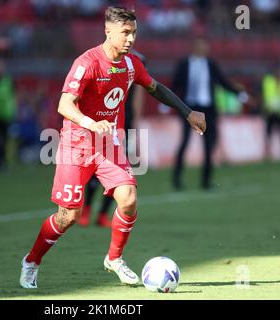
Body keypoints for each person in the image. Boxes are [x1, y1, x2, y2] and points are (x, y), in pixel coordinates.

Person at [20, 6, 206, 289]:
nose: (131, 39)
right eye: (125, 33)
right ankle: (32, 261)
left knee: (129, 199)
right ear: (108, 31)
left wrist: (187, 111)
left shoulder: (132, 64)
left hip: (108, 145)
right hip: (76, 145)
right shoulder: (87, 63)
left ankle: (114, 259)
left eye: (134, 33)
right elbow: (64, 104)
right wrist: (89, 122)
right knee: (69, 215)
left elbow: (155, 88)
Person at [77, 50, 147, 228]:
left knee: (121, 172)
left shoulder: (137, 62)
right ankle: (86, 210)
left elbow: (139, 92)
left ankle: (102, 214)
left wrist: (135, 121)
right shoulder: (104, 61)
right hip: (105, 122)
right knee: (96, 168)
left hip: (126, 124)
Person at [171, 37, 249, 190]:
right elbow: (176, 84)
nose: (203, 49)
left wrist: (239, 93)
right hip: (189, 108)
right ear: (193, 47)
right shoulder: (184, 64)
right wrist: (167, 104)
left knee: (209, 146)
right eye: (200, 46)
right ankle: (177, 180)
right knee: (184, 143)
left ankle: (206, 181)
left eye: (204, 46)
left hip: (208, 110)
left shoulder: (211, 64)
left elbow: (223, 81)